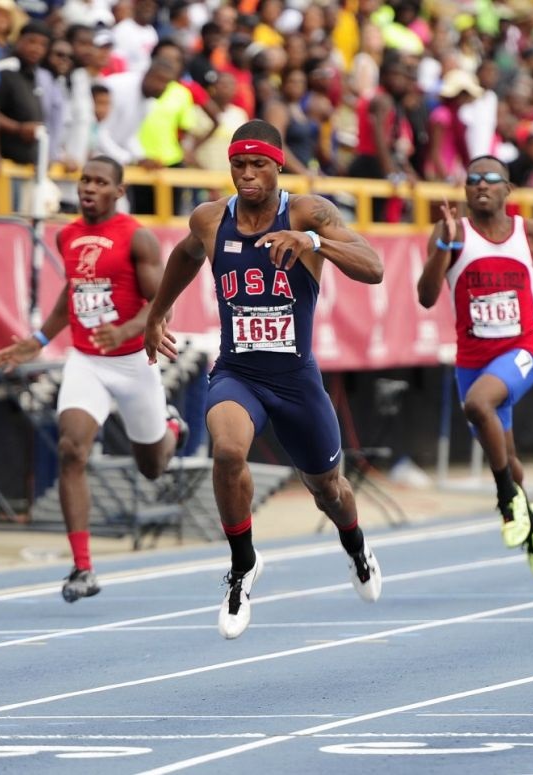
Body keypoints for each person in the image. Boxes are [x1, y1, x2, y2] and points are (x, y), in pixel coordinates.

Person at [144, 119, 384, 640]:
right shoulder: (211, 218)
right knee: (227, 452)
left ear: (279, 165)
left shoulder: (308, 212)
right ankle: (243, 565)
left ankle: (356, 543)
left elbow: (374, 267)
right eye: (238, 165)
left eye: (258, 164)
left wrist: (314, 242)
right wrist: (157, 313)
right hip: (239, 371)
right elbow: (185, 256)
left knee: (329, 490)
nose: (247, 175)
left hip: (296, 378)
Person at [0, 156, 188, 603]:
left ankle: (171, 427)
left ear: (118, 192)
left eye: (100, 182)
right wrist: (39, 338)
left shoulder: (137, 238)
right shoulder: (68, 234)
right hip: (87, 362)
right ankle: (82, 567)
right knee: (71, 449)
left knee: (152, 467)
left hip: (135, 362)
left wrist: (126, 329)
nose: (89, 188)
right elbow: (72, 291)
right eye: (84, 180)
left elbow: (163, 305)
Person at [417, 154, 533, 579]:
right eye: (472, 180)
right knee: (508, 458)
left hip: (520, 351)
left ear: (507, 190)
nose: (480, 186)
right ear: (464, 191)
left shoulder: (531, 232)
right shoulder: (448, 233)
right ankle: (531, 522)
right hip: (472, 361)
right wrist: (445, 246)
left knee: (478, 406)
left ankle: (505, 501)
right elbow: (426, 296)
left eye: (490, 179)